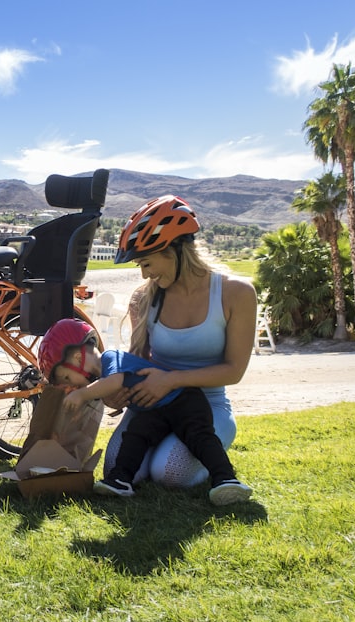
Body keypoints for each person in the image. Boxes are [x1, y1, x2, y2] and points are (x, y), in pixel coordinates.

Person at [102, 193, 259, 495]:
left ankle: (205, 456)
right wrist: (118, 392)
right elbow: (137, 362)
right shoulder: (143, 298)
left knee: (169, 473)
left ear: (172, 250)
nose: (144, 273)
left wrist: (172, 380)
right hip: (153, 404)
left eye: (146, 263)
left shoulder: (236, 293)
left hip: (208, 406)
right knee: (116, 469)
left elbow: (234, 371)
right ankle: (166, 444)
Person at [37, 318, 251, 504]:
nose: (71, 386)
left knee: (199, 436)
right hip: (155, 410)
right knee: (135, 435)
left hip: (183, 400)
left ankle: (225, 478)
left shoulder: (110, 358)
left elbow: (116, 380)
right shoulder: (101, 379)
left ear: (77, 358)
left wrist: (82, 395)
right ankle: (120, 480)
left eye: (66, 378)